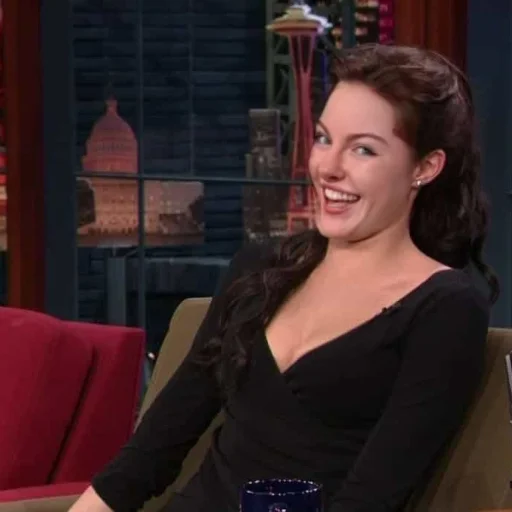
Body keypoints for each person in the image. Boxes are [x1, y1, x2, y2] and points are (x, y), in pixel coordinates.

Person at [69, 44, 499, 512]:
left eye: (363, 149)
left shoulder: (445, 308)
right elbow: (154, 449)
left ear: (425, 167)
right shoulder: (262, 270)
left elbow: (370, 500)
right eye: (324, 139)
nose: (328, 167)